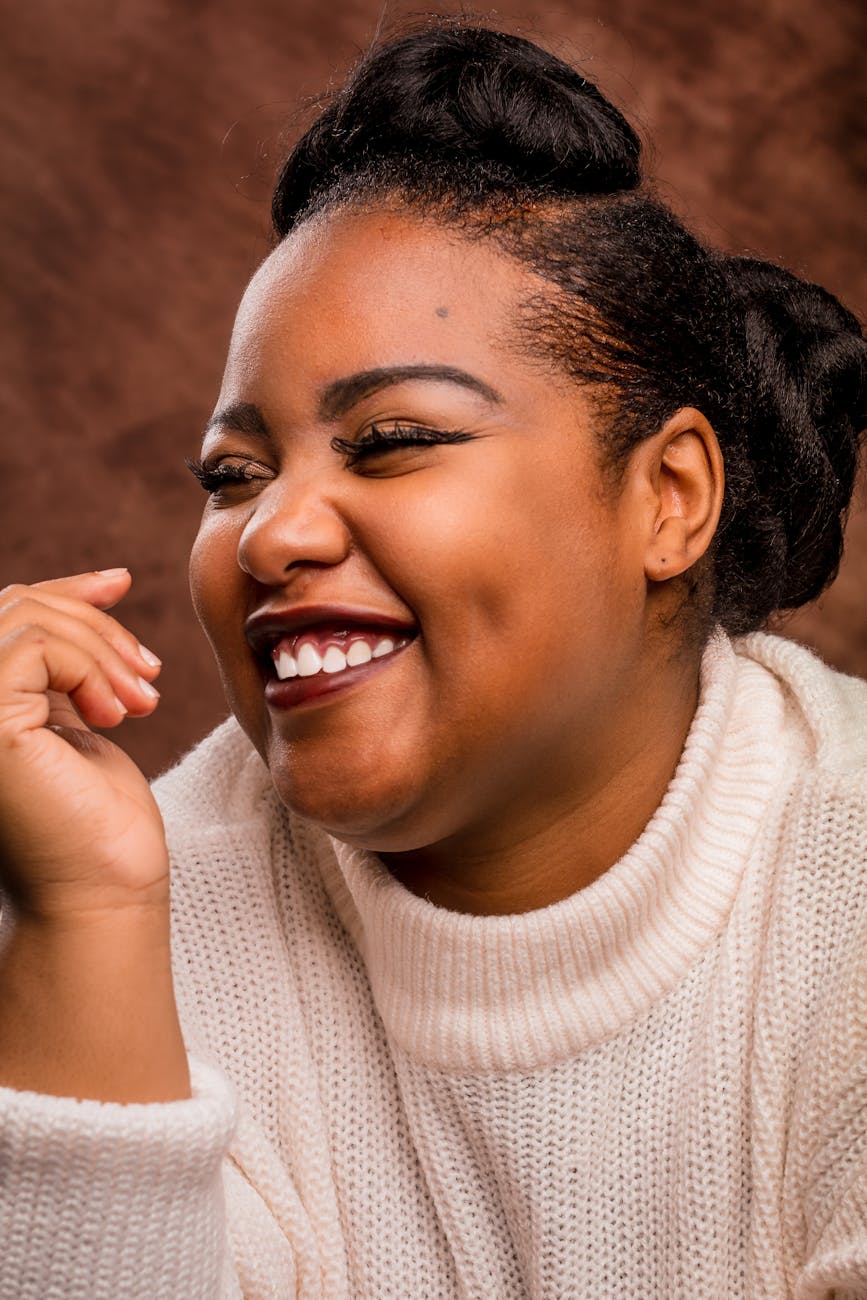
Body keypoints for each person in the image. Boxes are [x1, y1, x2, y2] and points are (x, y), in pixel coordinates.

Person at [1, 17, 866, 1299]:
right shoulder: (131, 910)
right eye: (232, 474)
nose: (275, 532)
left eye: (395, 437)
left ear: (669, 496)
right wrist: (88, 919)